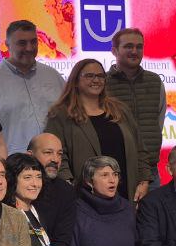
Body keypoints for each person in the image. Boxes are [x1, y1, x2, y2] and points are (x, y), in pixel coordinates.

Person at [44, 58, 151, 201]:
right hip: (85, 197)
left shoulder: (120, 110)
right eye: (89, 76)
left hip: (126, 194)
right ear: (76, 81)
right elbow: (56, 155)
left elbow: (140, 149)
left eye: (100, 76)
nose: (96, 80)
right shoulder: (61, 114)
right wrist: (68, 184)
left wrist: (144, 181)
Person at [0, 20, 65, 163]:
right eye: (22, 43)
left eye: (33, 42)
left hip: (53, 164)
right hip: (11, 165)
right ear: (7, 45)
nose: (29, 48)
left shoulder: (53, 76)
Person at [105, 28, 167, 187]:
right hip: (113, 170)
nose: (134, 51)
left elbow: (158, 122)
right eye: (128, 46)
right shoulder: (102, 83)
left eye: (139, 47)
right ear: (114, 51)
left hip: (150, 171)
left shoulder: (155, 81)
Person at [27, 134, 77, 246]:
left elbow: (62, 239)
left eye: (59, 154)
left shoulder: (66, 191)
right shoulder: (11, 186)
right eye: (48, 152)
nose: (55, 159)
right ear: (30, 156)